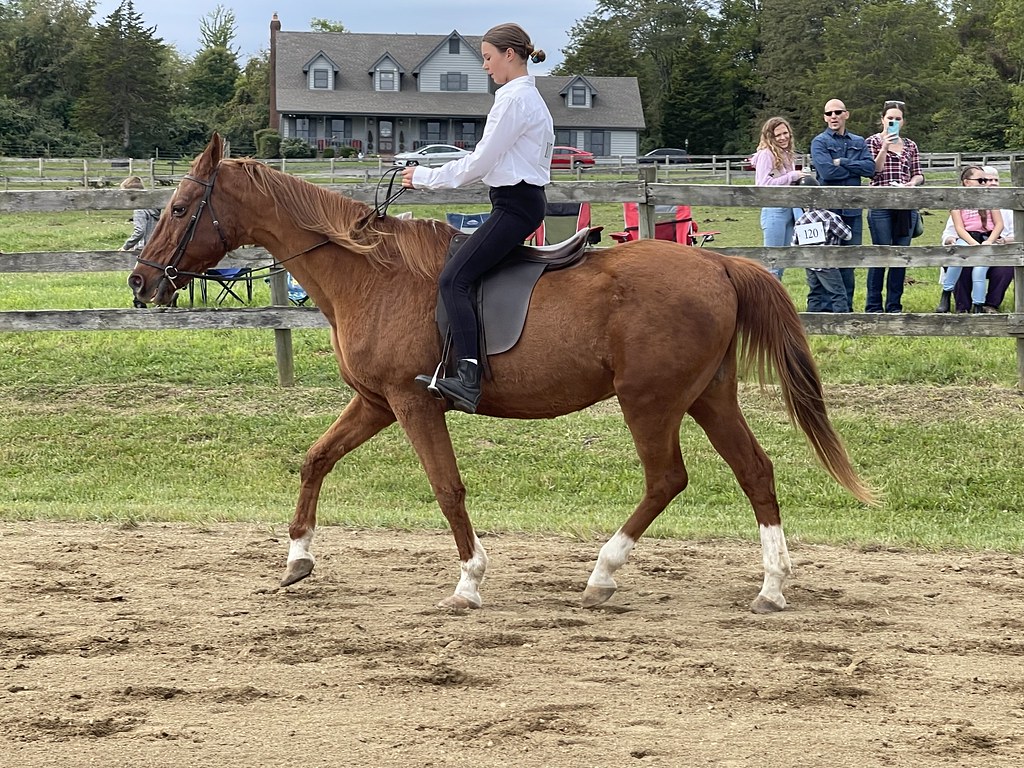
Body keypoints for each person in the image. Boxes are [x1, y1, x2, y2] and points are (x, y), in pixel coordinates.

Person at [402, 23, 553, 413]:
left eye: (488, 57)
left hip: (515, 206)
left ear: (509, 54)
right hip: (519, 201)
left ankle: (468, 378)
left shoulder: (514, 100)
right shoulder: (526, 98)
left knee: (454, 278)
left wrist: (424, 178)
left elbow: (481, 162)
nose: (485, 66)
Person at [810, 98, 876, 310]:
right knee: (825, 260)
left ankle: (845, 309)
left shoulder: (858, 140)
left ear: (846, 114)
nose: (833, 117)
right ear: (825, 117)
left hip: (852, 210)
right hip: (827, 211)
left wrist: (844, 162)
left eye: (838, 112)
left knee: (849, 260)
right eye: (829, 114)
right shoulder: (819, 142)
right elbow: (826, 172)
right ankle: (824, 309)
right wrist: (852, 168)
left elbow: (870, 169)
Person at [864, 101, 924, 313]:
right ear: (883, 119)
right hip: (880, 204)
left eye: (898, 118)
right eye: (890, 118)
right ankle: (873, 305)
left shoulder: (910, 145)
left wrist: (913, 183)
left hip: (905, 205)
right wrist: (885, 146)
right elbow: (873, 171)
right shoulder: (871, 142)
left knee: (900, 256)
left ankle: (894, 305)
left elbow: (918, 173)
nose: (893, 121)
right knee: (881, 253)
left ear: (903, 122)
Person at [940, 165, 1015, 311]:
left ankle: (986, 305)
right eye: (984, 180)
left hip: (992, 244)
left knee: (1001, 267)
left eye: (995, 180)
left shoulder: (1000, 204)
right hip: (969, 242)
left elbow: (1009, 230)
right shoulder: (959, 204)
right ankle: (960, 304)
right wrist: (953, 240)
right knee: (959, 261)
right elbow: (954, 230)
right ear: (967, 182)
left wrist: (998, 241)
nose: (989, 183)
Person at [752, 117, 808, 280]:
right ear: (770, 136)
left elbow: (776, 177)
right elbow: (763, 183)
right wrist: (792, 175)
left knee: (781, 261)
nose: (783, 138)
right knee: (772, 263)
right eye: (778, 135)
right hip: (774, 210)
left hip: (789, 209)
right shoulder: (767, 155)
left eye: (786, 133)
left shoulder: (785, 155)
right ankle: (766, 303)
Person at [792, 177, 853, 312]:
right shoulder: (830, 217)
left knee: (814, 293)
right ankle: (841, 322)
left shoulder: (801, 219)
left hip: (810, 263)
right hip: (828, 262)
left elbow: (795, 243)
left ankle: (812, 320)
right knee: (838, 293)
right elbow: (847, 235)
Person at [118, 176, 160, 252]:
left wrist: (126, 247)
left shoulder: (139, 210)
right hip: (155, 246)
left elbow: (140, 231)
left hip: (142, 249)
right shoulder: (154, 208)